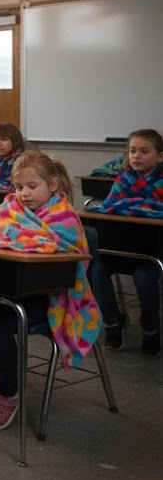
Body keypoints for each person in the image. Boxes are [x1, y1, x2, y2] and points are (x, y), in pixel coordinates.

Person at [0, 151, 100, 431]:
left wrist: (12, 237)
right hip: (9, 288)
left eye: (32, 186)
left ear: (53, 185)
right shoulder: (10, 209)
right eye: (19, 187)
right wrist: (7, 236)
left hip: (50, 297)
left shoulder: (64, 218)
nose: (24, 194)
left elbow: (61, 257)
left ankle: (8, 392)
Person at [86, 128, 163, 354]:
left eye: (143, 151)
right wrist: (143, 207)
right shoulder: (123, 178)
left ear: (160, 156)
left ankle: (151, 330)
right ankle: (112, 323)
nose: (136, 156)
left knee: (144, 277)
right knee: (96, 267)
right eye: (132, 151)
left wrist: (131, 206)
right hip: (119, 247)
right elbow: (109, 205)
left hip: (151, 250)